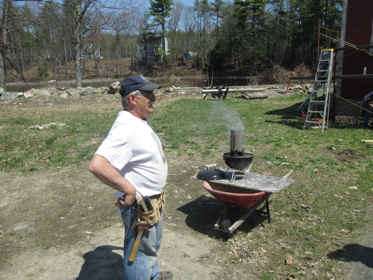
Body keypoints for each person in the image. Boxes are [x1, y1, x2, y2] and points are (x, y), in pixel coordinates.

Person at [88, 75, 172, 280]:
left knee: (149, 246)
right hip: (141, 206)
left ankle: (153, 275)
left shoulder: (137, 121)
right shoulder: (125, 129)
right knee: (140, 252)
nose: (154, 98)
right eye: (148, 94)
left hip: (153, 202)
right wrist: (129, 189)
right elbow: (97, 165)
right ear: (133, 99)